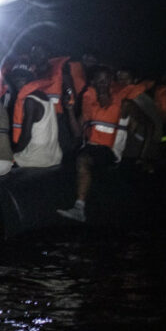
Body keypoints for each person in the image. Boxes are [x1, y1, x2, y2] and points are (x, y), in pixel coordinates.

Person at [57, 66, 131, 222]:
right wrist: (69, 110)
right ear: (93, 82)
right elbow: (77, 133)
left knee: (83, 159)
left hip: (110, 150)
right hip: (91, 147)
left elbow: (143, 122)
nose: (104, 84)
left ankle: (79, 208)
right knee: (66, 159)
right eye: (100, 81)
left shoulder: (123, 102)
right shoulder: (90, 102)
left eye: (107, 81)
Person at [11, 69, 63, 169]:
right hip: (52, 154)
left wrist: (14, 151)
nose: (16, 85)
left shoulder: (30, 100)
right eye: (15, 82)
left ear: (28, 80)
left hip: (36, 157)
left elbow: (26, 134)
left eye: (19, 81)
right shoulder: (44, 96)